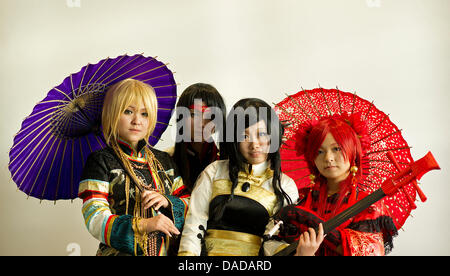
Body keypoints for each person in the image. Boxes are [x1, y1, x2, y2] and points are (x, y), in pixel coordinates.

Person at [78, 79, 188, 256]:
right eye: (128, 111)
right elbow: (95, 218)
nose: (137, 120)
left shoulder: (165, 160)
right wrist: (145, 224)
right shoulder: (101, 161)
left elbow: (190, 204)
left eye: (145, 114)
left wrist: (168, 201)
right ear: (112, 114)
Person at [178, 98, 299, 256]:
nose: (254, 144)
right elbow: (195, 222)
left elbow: (276, 240)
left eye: (262, 134)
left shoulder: (285, 185)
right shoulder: (214, 171)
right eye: (245, 136)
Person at [274, 114, 398, 256]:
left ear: (352, 150)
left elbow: (368, 252)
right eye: (319, 152)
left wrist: (310, 219)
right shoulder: (300, 197)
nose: (328, 158)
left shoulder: (368, 205)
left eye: (336, 149)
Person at [169, 83, 227, 198]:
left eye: (210, 116)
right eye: (194, 115)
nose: (201, 124)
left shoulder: (226, 161)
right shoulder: (165, 161)